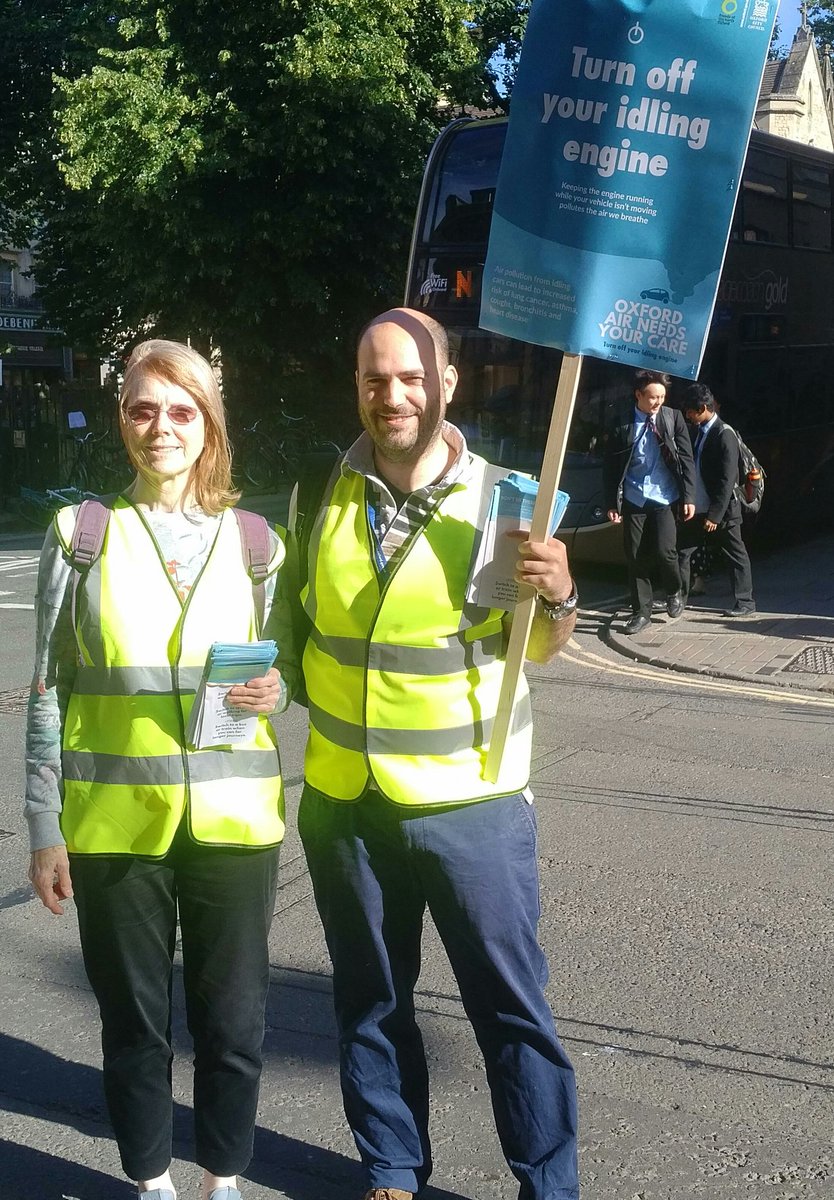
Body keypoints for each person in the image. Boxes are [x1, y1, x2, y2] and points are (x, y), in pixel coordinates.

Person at [291, 307, 580, 1200]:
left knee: (511, 1016)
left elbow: (536, 646)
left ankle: (548, 1181)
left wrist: (562, 594)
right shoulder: (317, 494)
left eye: (413, 376)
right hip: (346, 802)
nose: (394, 395)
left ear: (447, 383)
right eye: (377, 378)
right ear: (358, 388)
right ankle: (390, 1167)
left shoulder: (506, 501)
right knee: (371, 1005)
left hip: (473, 806)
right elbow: (299, 635)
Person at [25, 340, 290, 1200]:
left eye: (181, 409)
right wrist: (43, 828)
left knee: (234, 1023)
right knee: (135, 1023)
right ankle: (150, 1181)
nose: (161, 426)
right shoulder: (81, 537)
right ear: (123, 421)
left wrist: (274, 693)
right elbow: (44, 689)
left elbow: (270, 680)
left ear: (208, 422)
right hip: (114, 823)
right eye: (143, 408)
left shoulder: (257, 544)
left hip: (233, 822)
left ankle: (224, 1176)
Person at [602, 369, 696, 635]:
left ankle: (674, 590)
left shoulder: (672, 418)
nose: (658, 403)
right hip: (634, 497)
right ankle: (641, 612)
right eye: (653, 397)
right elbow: (610, 465)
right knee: (635, 556)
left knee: (666, 552)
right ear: (638, 395)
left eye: (662, 397)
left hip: (665, 495)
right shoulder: (621, 421)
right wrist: (612, 503)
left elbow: (686, 460)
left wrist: (689, 497)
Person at [678, 382, 756, 616]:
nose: (687, 416)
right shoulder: (699, 432)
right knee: (683, 551)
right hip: (698, 506)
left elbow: (727, 479)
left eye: (690, 411)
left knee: (735, 554)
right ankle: (678, 598)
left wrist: (715, 515)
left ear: (702, 408)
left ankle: (745, 602)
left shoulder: (724, 434)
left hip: (722, 511)